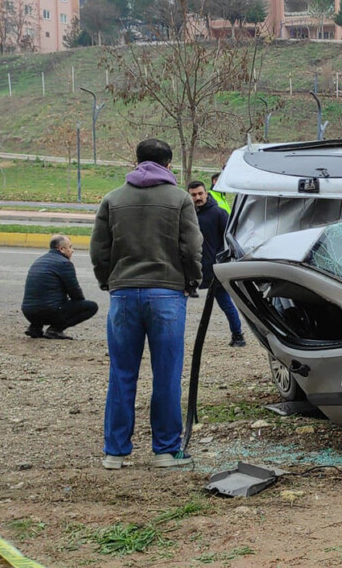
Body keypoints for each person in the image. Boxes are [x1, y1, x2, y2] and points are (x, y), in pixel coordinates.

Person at [91, 139, 203, 470]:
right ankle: (166, 452)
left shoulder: (113, 198)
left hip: (123, 295)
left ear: (136, 162)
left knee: (122, 372)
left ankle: (115, 452)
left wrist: (108, 281)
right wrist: (191, 282)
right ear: (168, 165)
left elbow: (99, 251)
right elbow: (192, 249)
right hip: (167, 296)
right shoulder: (180, 199)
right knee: (166, 374)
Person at [188, 181, 246, 348]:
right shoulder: (188, 215)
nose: (197, 197)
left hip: (214, 267)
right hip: (193, 268)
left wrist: (219, 260)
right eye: (193, 195)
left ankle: (238, 335)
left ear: (206, 193)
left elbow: (230, 239)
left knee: (225, 303)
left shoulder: (219, 214)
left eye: (200, 193)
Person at [21, 234, 98, 339]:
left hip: (28, 312)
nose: (72, 250)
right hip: (49, 312)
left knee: (44, 300)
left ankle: (35, 327)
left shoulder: (39, 260)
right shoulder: (64, 263)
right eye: (70, 247)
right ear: (61, 249)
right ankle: (55, 330)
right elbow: (75, 292)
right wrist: (79, 305)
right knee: (91, 307)